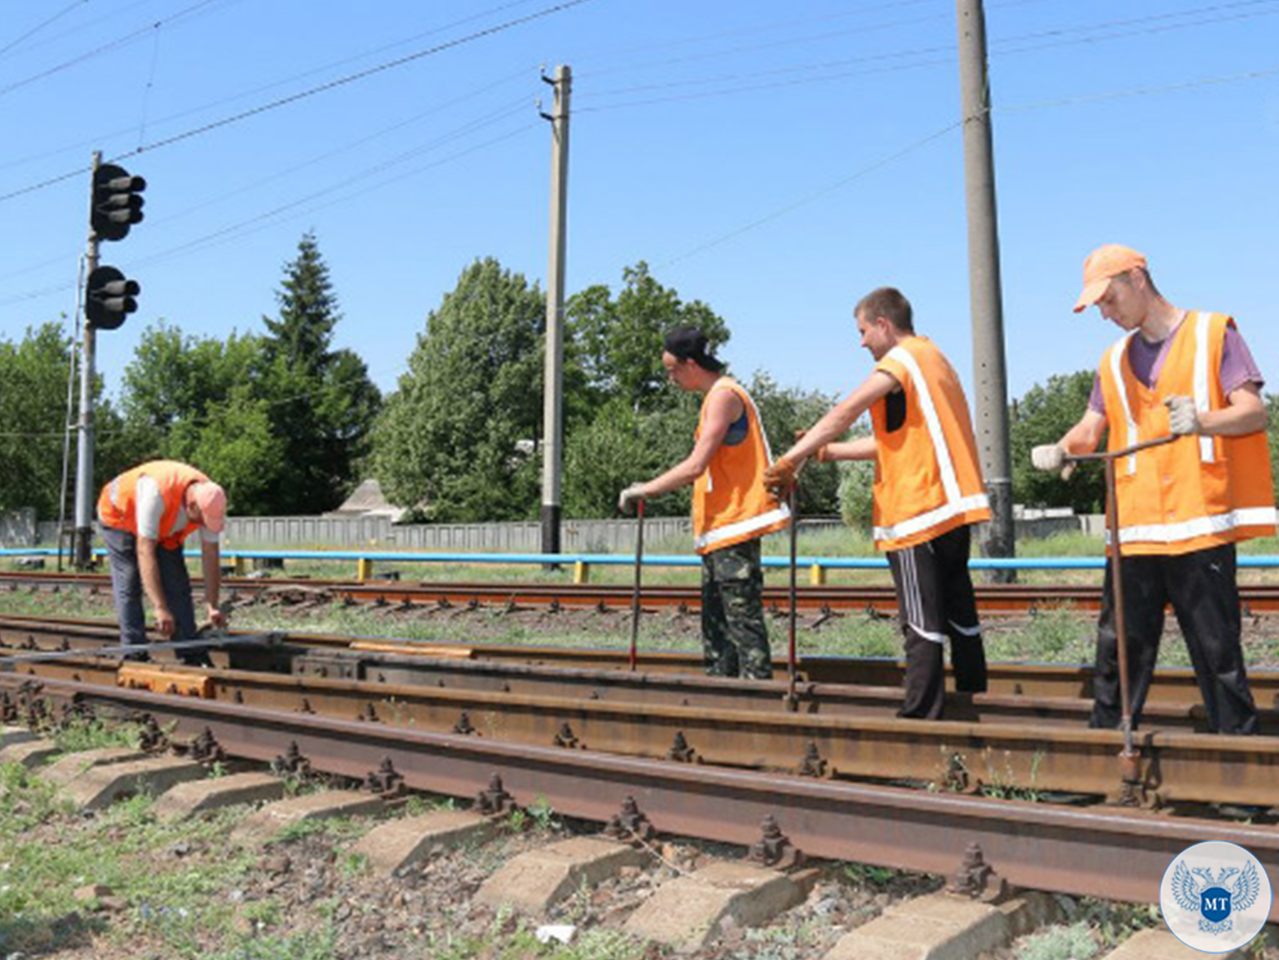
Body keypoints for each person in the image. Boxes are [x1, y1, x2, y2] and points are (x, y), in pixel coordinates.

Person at [1032, 244, 1274, 735]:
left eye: (1108, 299)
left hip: (1198, 526)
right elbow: (1088, 429)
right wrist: (1062, 449)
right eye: (1097, 305)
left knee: (1216, 653)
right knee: (1118, 650)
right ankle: (1103, 751)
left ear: (1137, 278)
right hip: (1135, 531)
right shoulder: (1113, 359)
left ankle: (1237, 765)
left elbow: (1254, 411)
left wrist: (1203, 420)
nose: (1105, 313)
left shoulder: (1213, 332)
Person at [765, 287, 990, 719]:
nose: (862, 342)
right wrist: (826, 452)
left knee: (921, 619)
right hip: (951, 505)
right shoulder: (934, 360)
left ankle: (920, 717)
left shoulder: (900, 361)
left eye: (864, 331)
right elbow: (892, 442)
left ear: (884, 325)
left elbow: (845, 411)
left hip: (915, 507)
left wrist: (791, 460)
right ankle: (971, 695)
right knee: (959, 608)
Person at [617, 327, 791, 679]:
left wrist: (646, 489)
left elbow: (696, 465)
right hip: (720, 530)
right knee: (717, 627)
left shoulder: (725, 396)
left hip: (735, 525)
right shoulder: (715, 397)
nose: (671, 378)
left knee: (741, 623)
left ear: (691, 364)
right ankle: (722, 693)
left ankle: (758, 699)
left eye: (672, 370)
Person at [97, 460, 228, 666]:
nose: (203, 526)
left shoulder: (211, 498)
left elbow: (211, 555)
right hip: (119, 516)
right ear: (192, 506)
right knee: (129, 580)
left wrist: (212, 605)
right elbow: (145, 551)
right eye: (202, 520)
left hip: (164, 529)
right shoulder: (156, 492)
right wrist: (160, 607)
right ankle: (134, 650)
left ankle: (189, 649)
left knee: (177, 583)